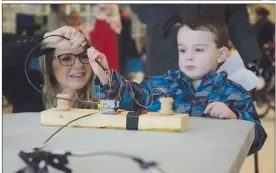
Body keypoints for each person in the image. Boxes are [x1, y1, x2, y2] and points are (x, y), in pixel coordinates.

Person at [87, 15, 267, 155]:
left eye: (198, 49)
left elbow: (257, 137)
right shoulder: (159, 85)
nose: (188, 56)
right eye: (183, 49)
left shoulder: (233, 93)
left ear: (221, 55)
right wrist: (106, 77)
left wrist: (235, 118)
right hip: (158, 162)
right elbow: (129, 98)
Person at [130, 4, 263, 76]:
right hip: (167, 56)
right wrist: (171, 24)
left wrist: (251, 55)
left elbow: (236, 15)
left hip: (213, 65)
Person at [3, 26, 90, 112]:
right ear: (48, 64)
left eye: (84, 56)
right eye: (66, 58)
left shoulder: (101, 93)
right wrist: (44, 41)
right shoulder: (26, 91)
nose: (79, 65)